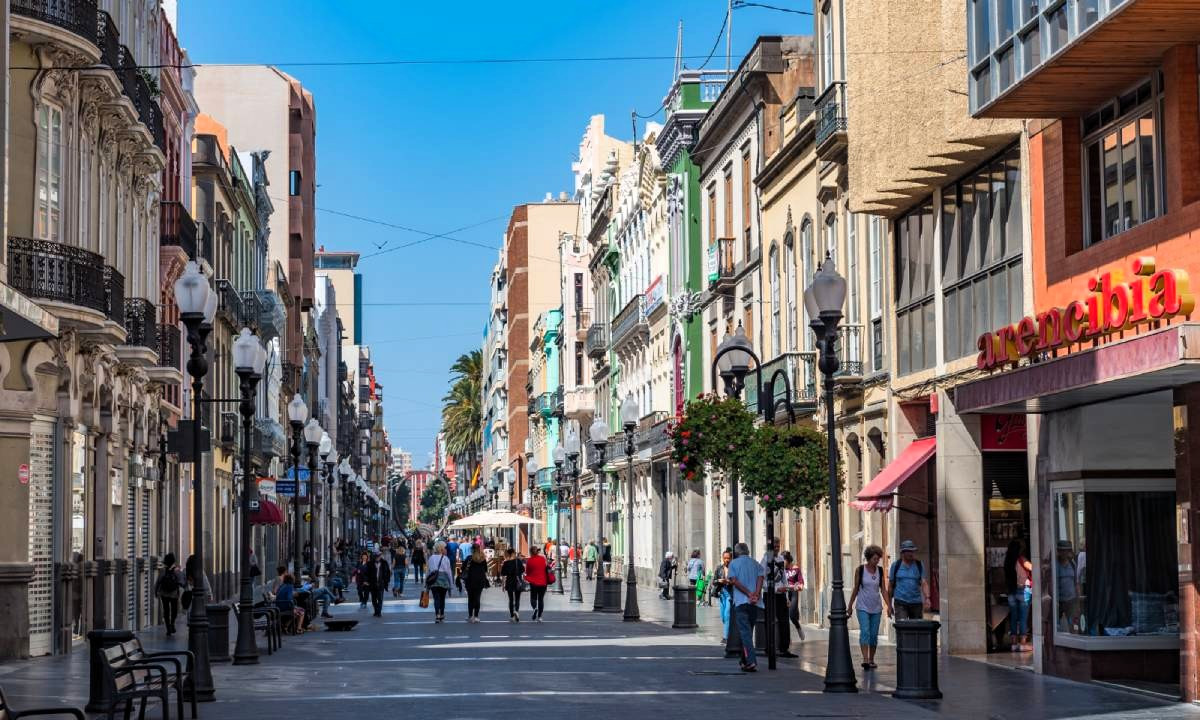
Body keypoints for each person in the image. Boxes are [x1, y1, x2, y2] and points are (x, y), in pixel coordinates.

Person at [848, 545, 890, 670]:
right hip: (862, 606)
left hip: (876, 607)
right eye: (874, 559)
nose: (876, 561)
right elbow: (856, 588)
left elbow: (883, 589)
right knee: (865, 631)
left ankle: (871, 659)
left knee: (873, 635)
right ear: (868, 558)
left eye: (878, 559)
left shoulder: (880, 571)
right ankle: (865, 659)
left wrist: (889, 606)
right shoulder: (860, 570)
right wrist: (850, 605)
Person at [726, 543, 765, 672]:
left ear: (737, 553)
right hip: (754, 602)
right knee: (748, 631)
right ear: (748, 551)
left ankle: (751, 661)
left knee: (745, 633)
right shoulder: (755, 563)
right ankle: (744, 660)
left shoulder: (733, 564)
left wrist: (749, 593)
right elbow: (761, 577)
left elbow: (734, 581)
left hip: (742, 602)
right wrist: (756, 593)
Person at [761, 539, 795, 658]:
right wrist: (775, 589)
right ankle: (769, 648)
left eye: (778, 546)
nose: (777, 548)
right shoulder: (765, 560)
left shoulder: (780, 559)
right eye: (774, 546)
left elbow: (783, 576)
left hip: (781, 595)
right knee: (769, 620)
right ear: (769, 547)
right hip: (770, 594)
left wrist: (785, 591)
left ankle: (784, 648)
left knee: (784, 621)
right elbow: (762, 580)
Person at [888, 539, 930, 620]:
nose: (911, 553)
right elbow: (890, 586)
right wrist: (889, 605)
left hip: (916, 602)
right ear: (903, 553)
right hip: (900, 602)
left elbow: (924, 583)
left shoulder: (919, 565)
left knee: (916, 629)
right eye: (909, 551)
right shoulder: (896, 565)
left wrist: (927, 598)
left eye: (913, 551)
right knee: (902, 627)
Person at [1004, 539, 1033, 651]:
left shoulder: (1007, 561)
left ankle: (1013, 643)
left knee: (1014, 616)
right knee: (1023, 617)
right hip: (1023, 590)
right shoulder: (1022, 559)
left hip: (1011, 591)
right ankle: (1022, 643)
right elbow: (1033, 568)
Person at [154, 553, 184, 635]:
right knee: (174, 610)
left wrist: (156, 591)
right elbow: (182, 582)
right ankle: (172, 623)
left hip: (164, 593)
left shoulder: (163, 570)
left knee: (166, 610)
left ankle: (168, 628)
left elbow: (158, 582)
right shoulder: (177, 570)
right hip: (174, 593)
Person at [1055, 540, 1081, 633]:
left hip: (1071, 600)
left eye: (1066, 550)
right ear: (1058, 551)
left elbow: (1076, 583)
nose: (1064, 553)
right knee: (1055, 627)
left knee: (1074, 626)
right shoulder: (1054, 565)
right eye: (1061, 550)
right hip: (1058, 601)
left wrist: (1078, 601)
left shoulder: (1073, 564)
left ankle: (1075, 642)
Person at [426, 541, 454, 623]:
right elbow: (448, 572)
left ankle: (437, 615)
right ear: (442, 549)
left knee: (436, 598)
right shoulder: (445, 558)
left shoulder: (431, 558)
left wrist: (426, 582)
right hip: (443, 580)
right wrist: (451, 584)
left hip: (434, 580)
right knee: (442, 598)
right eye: (445, 548)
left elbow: (428, 571)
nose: (446, 549)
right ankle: (442, 614)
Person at [463, 543, 490, 623]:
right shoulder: (482, 559)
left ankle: (470, 616)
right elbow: (485, 569)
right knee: (477, 597)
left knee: (470, 598)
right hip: (480, 580)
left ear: (472, 550)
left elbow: (463, 568)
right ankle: (476, 616)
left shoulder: (469, 558)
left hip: (470, 580)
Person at [783, 551, 805, 641]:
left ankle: (798, 627)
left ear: (788, 560)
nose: (782, 562)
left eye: (783, 560)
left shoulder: (795, 569)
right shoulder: (781, 570)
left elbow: (801, 581)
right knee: (784, 616)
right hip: (784, 593)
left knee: (792, 615)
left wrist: (800, 586)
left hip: (793, 592)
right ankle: (787, 636)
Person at [713, 549, 734, 643]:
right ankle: (729, 632)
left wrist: (728, 582)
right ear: (722, 558)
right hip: (722, 593)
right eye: (725, 558)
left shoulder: (734, 569)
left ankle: (726, 637)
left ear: (731, 558)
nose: (726, 560)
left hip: (730, 593)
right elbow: (713, 581)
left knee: (727, 614)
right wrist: (719, 581)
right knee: (723, 616)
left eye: (728, 558)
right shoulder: (719, 568)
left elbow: (737, 582)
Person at [524, 545, 550, 622]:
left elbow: (527, 572)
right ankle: (540, 617)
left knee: (533, 598)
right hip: (543, 582)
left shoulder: (529, 561)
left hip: (534, 582)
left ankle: (535, 608)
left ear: (530, 552)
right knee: (541, 599)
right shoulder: (542, 559)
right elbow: (546, 568)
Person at [500, 548, 526, 621]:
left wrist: (503, 585)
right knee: (517, 599)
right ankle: (516, 611)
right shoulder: (518, 561)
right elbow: (523, 570)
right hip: (518, 581)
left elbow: (503, 574)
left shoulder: (506, 563)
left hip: (509, 581)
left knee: (511, 599)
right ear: (513, 553)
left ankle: (512, 616)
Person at [368, 551, 390, 617]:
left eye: (379, 556)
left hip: (381, 583)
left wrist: (386, 581)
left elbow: (388, 573)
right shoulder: (370, 563)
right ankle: (376, 610)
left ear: (380, 556)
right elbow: (367, 573)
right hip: (373, 583)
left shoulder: (384, 563)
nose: (377, 558)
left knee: (380, 598)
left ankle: (379, 612)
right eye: (376, 556)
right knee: (374, 599)